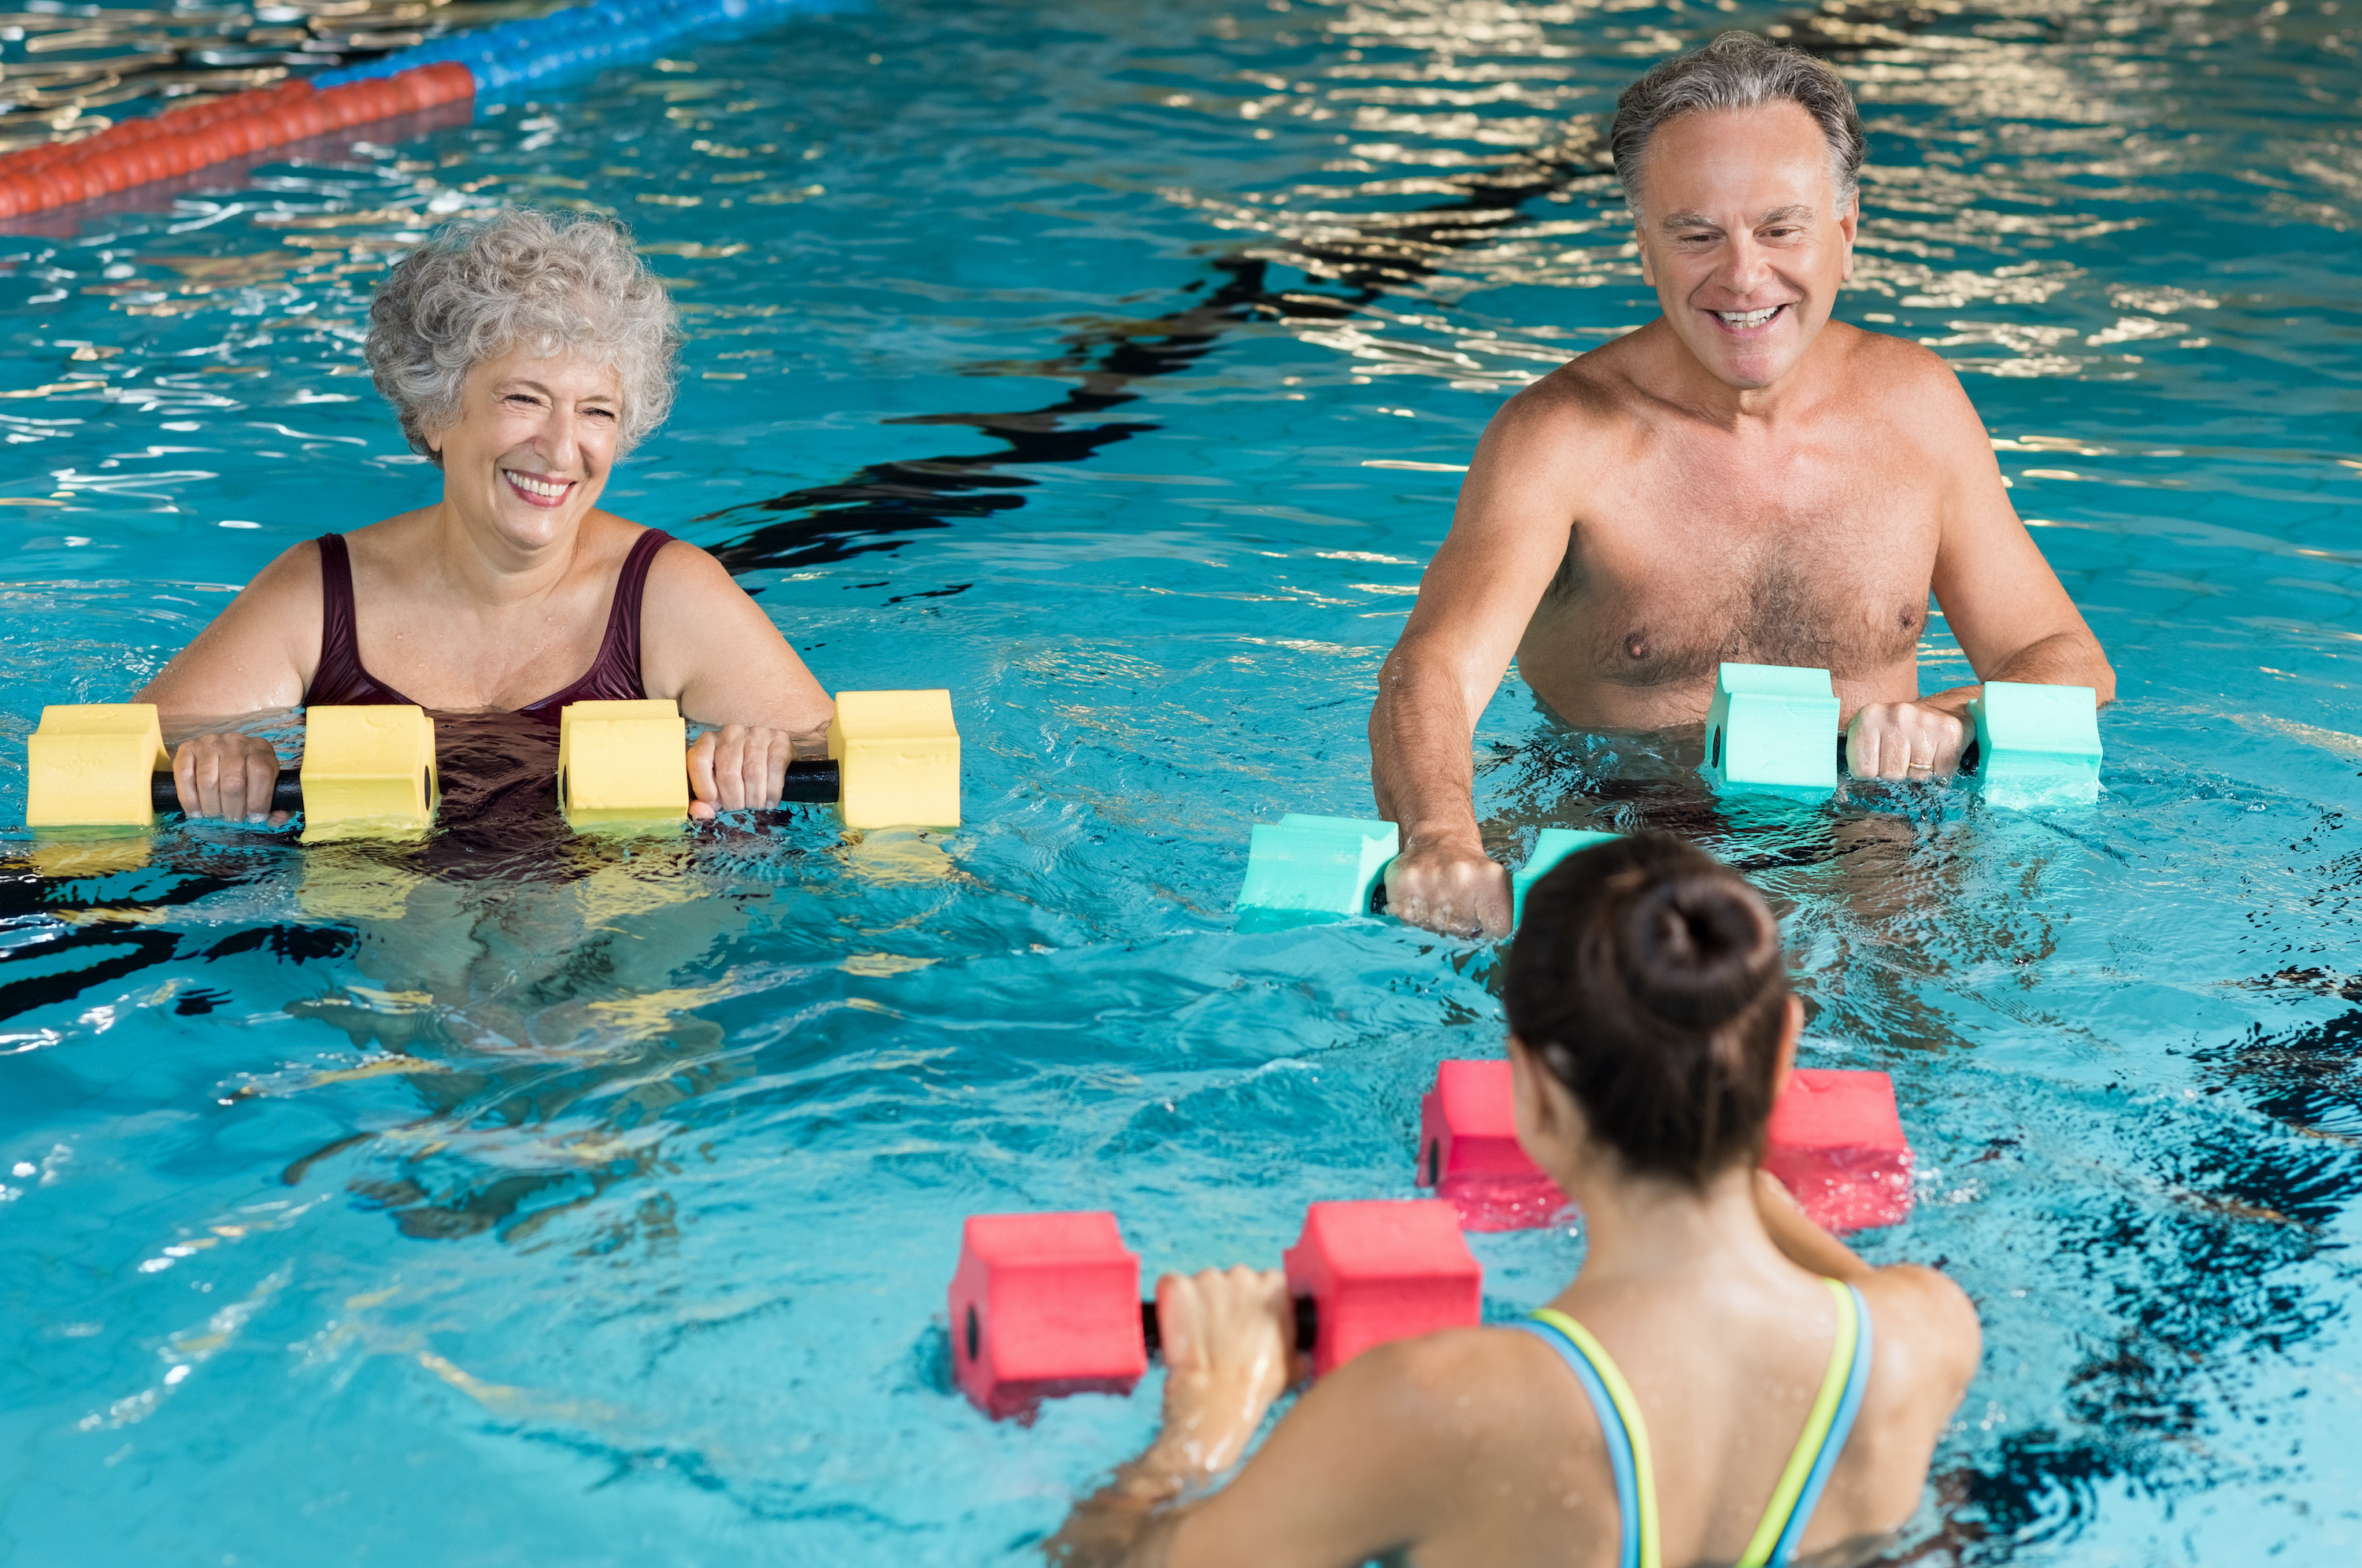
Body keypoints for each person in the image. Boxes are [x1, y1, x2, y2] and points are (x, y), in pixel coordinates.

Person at [1045, 833, 1981, 1568]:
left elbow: (1098, 1562)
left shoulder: (1437, 1406)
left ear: (1530, 1088)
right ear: (1785, 1049)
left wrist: (1204, 1424)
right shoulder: (1926, 1339)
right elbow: (1837, 1292)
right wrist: (1741, 1165)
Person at [1370, 32, 2116, 937]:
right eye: (1696, 235)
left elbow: (2068, 660)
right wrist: (1442, 836)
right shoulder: (1559, 438)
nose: (1743, 275)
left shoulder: (1918, 409)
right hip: (1622, 849)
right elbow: (1434, 670)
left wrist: (1945, 718)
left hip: (1872, 854)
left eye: (1780, 227)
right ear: (1644, 246)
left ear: (1845, 230)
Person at [136, 208, 831, 822]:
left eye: (596, 412)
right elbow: (123, 752)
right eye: (523, 399)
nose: (561, 450)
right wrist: (223, 759)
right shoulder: (319, 598)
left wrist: (753, 752)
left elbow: (844, 764)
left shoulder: (669, 597)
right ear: (436, 413)